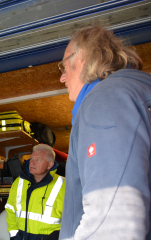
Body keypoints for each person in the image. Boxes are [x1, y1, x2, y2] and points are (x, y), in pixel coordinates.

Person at [58, 25, 151, 239]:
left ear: (81, 59)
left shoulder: (106, 100)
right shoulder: (136, 93)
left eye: (63, 68)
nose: (62, 79)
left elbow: (113, 222)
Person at [5, 144, 65, 240]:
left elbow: (74, 217)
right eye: (31, 158)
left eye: (37, 160)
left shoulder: (64, 185)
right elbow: (10, 209)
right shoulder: (19, 182)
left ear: (50, 164)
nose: (32, 163)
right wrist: (14, 234)